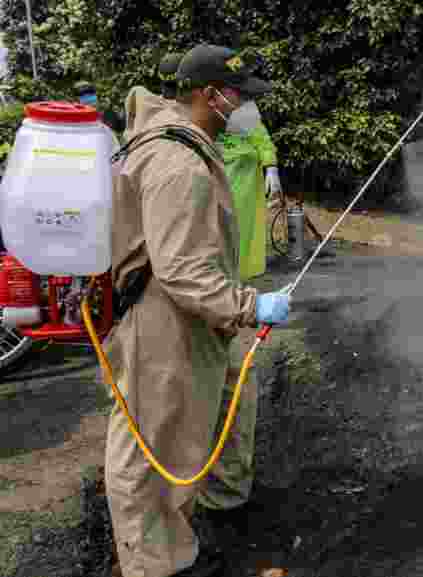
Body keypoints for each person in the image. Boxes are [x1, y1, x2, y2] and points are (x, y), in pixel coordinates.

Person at [104, 43, 291, 577]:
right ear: (210, 96)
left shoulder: (180, 142)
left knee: (173, 438)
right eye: (240, 96)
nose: (248, 106)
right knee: (149, 452)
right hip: (163, 324)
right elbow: (182, 271)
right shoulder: (178, 164)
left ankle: (168, 548)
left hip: (178, 319)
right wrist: (251, 304)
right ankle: (148, 565)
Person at [218, 98, 281, 280]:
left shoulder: (242, 106)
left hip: (244, 175)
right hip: (215, 169)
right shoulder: (206, 101)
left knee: (243, 223)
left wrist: (271, 166)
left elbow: (260, 136)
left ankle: (242, 268)